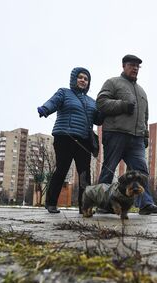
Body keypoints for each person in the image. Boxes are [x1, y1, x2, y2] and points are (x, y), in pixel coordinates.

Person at [96, 54, 157, 215]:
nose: (135, 68)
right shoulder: (112, 82)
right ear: (123, 66)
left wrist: (146, 135)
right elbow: (101, 102)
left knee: (141, 172)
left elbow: (145, 115)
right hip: (115, 134)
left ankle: (145, 204)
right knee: (109, 168)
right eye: (131, 65)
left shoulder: (142, 91)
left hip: (136, 139)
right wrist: (122, 105)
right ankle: (103, 203)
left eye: (137, 66)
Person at [37, 67, 97, 214]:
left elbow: (98, 118)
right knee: (62, 170)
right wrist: (45, 108)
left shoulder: (92, 101)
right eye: (80, 77)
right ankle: (51, 203)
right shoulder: (64, 93)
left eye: (86, 79)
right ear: (74, 78)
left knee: (85, 174)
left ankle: (85, 206)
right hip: (65, 137)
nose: (83, 80)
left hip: (83, 141)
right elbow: (53, 102)